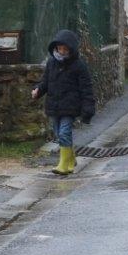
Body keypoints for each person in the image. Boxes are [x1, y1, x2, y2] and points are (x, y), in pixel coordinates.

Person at [31, 29, 95, 176]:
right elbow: (45, 82)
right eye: (60, 48)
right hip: (54, 105)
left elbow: (86, 88)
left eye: (65, 49)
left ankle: (63, 164)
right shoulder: (51, 63)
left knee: (64, 132)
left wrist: (88, 109)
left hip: (70, 107)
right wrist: (37, 90)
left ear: (71, 50)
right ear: (56, 48)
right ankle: (71, 159)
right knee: (59, 134)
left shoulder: (79, 66)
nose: (62, 51)